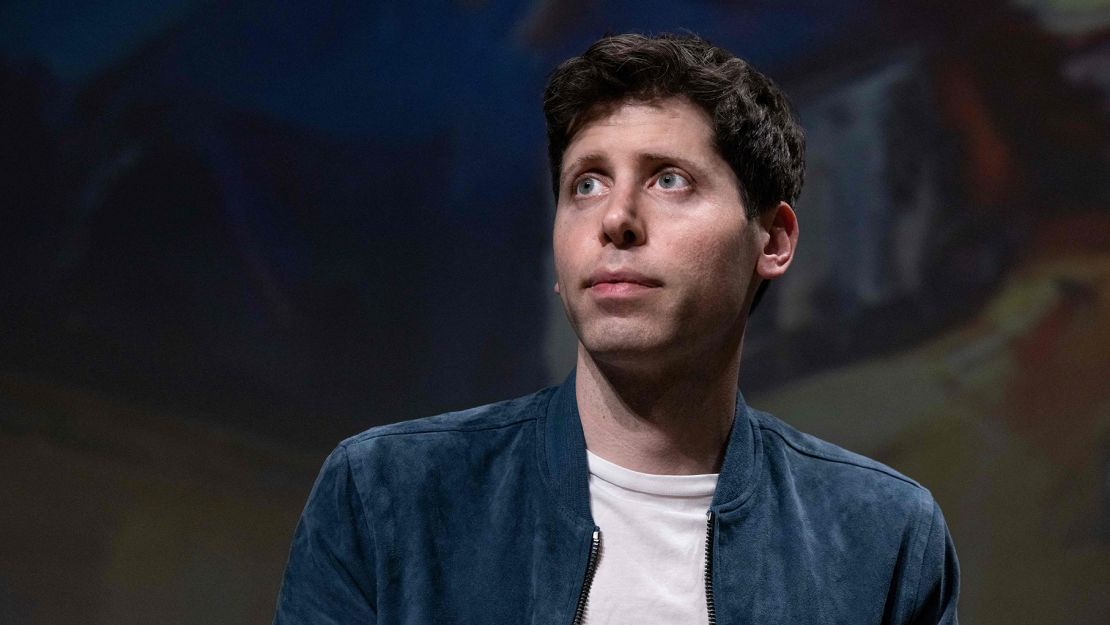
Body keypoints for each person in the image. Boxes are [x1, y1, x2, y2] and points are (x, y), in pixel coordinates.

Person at [273, 33, 959, 624]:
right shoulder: (386, 496)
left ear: (773, 240)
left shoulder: (882, 536)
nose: (615, 219)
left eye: (669, 180)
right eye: (587, 184)